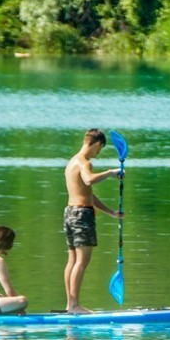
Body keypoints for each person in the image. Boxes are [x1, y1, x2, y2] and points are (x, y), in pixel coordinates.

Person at [63, 128, 123, 313]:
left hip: (70, 212)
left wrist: (110, 212)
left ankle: (70, 304)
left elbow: (87, 193)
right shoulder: (84, 163)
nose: (98, 153)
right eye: (100, 149)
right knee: (82, 261)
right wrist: (111, 172)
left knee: (72, 260)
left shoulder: (72, 161)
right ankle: (74, 305)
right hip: (82, 216)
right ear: (96, 144)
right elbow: (89, 181)